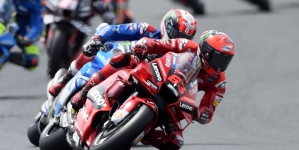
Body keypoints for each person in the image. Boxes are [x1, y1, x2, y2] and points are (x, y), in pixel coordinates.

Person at [74, 29, 235, 150]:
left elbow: (209, 109)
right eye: (218, 58)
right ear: (205, 51)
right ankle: (85, 91)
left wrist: (200, 113)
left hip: (176, 99)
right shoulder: (187, 46)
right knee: (122, 59)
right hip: (157, 74)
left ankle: (137, 133)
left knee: (174, 143)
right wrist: (146, 45)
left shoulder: (219, 82)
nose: (220, 65)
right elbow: (161, 44)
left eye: (226, 61)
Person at [49, 9, 197, 96]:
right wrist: (99, 38)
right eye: (177, 34)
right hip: (114, 61)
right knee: (91, 50)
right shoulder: (147, 31)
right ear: (167, 26)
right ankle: (65, 80)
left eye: (184, 37)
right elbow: (115, 30)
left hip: (139, 84)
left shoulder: (179, 59)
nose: (178, 39)